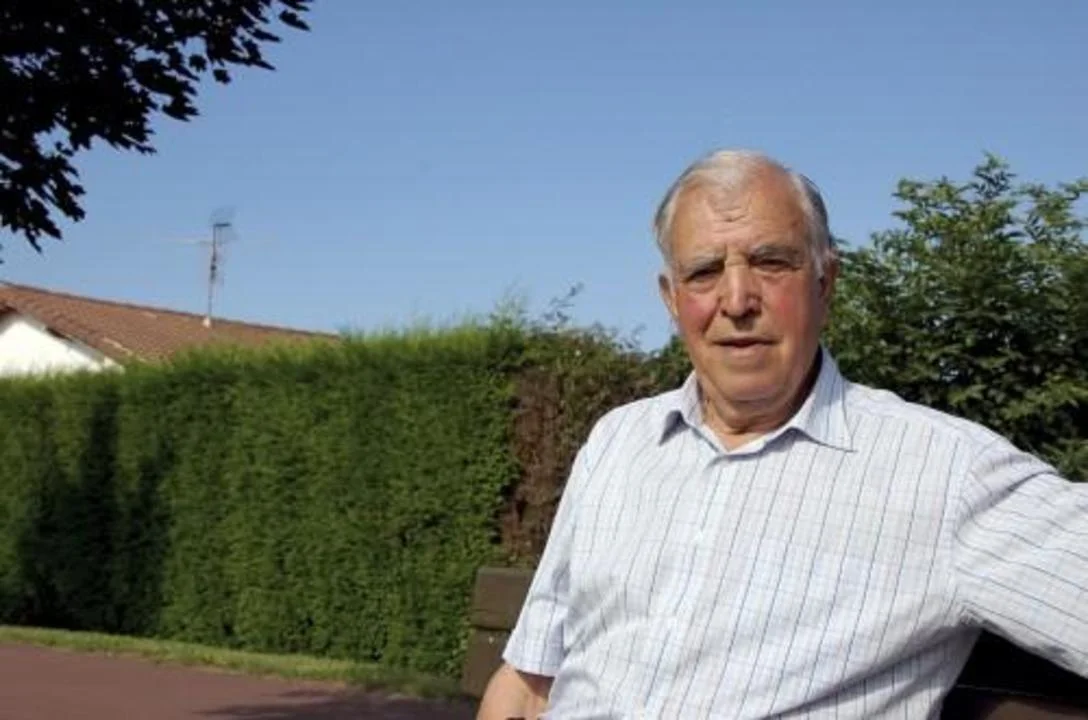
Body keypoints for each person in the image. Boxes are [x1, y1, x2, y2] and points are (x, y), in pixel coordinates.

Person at [477, 149, 1088, 719]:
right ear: (671, 299)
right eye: (704, 272)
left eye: (771, 262)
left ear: (825, 282)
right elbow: (529, 683)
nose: (737, 299)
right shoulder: (617, 442)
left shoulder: (944, 473)